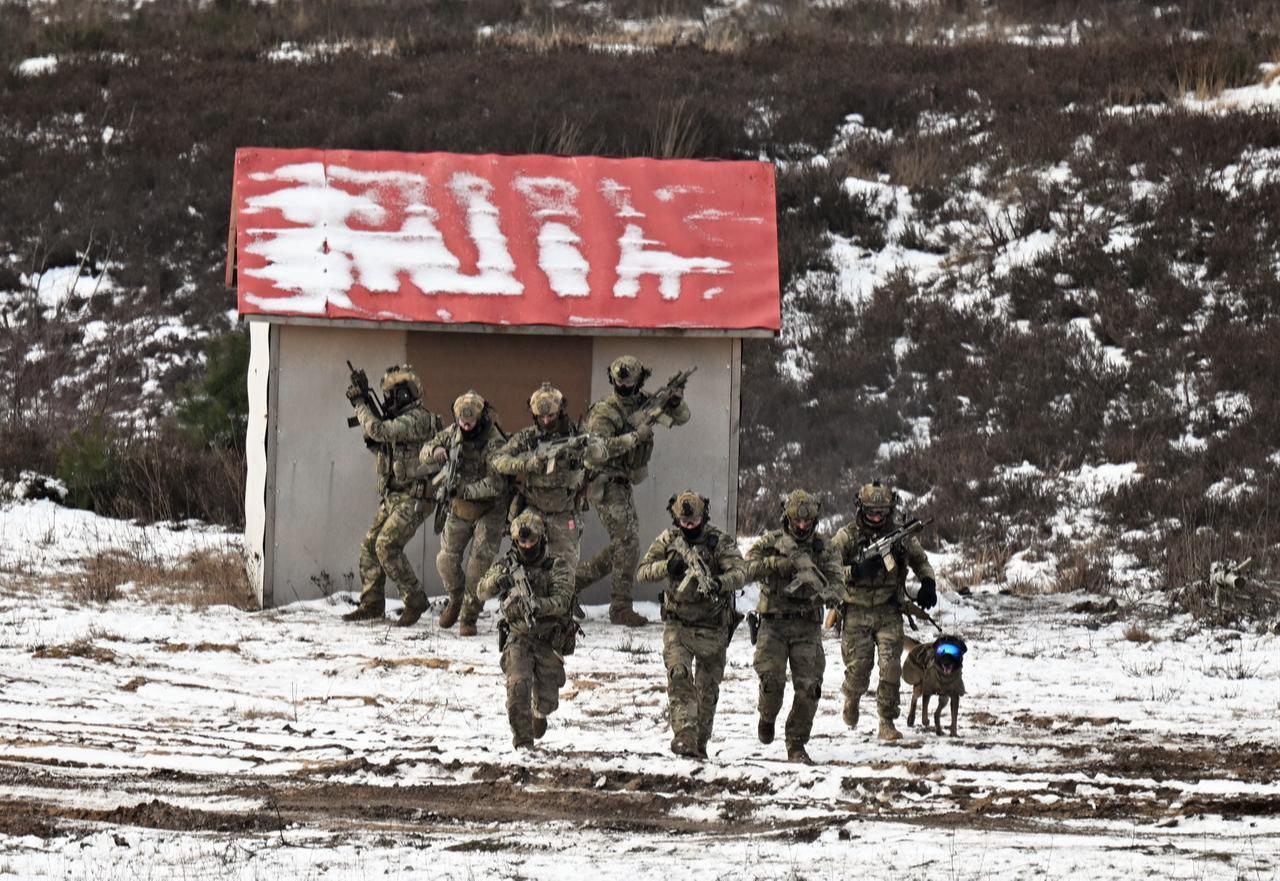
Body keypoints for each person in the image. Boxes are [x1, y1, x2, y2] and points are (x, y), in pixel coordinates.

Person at [577, 356, 691, 627]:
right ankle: (620, 607)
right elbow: (596, 449)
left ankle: (573, 584)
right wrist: (634, 437)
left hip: (622, 480)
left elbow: (682, 417)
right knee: (628, 544)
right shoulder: (605, 411)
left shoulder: (643, 402)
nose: (624, 388)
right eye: (620, 384)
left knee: (624, 545)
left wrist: (673, 400)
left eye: (629, 384)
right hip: (603, 481)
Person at [636, 490, 745, 759]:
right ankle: (684, 734)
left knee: (707, 692)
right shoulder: (669, 541)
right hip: (678, 624)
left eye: (693, 522)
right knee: (679, 675)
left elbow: (741, 573)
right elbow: (642, 572)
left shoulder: (718, 541)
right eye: (683, 523)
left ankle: (699, 744)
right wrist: (667, 567)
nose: (688, 527)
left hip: (712, 626)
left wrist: (720, 582)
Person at [831, 480, 937, 742]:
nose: (877, 517)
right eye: (871, 512)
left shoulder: (898, 535)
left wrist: (928, 582)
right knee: (858, 670)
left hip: (889, 609)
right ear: (861, 509)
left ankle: (886, 721)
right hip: (856, 610)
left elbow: (920, 559)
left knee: (891, 668)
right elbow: (827, 569)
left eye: (882, 512)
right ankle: (852, 698)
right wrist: (854, 572)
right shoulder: (847, 536)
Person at [745, 490, 844, 764]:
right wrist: (778, 564)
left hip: (807, 626)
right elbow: (746, 568)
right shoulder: (771, 542)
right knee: (772, 681)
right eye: (797, 522)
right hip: (773, 625)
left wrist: (825, 592)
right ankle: (767, 716)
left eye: (808, 522)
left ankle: (796, 744)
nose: (802, 527)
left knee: (809, 688)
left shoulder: (824, 548)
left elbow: (838, 581)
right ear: (786, 518)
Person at [343, 365, 442, 627]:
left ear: (405, 394)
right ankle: (372, 604)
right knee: (370, 547)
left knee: (387, 546)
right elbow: (384, 445)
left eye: (392, 395)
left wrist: (361, 404)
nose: (388, 401)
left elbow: (379, 430)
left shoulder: (418, 418)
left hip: (416, 497)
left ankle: (415, 599)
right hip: (395, 495)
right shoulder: (401, 420)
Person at [477, 510, 576, 750]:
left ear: (541, 539)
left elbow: (562, 602)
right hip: (518, 637)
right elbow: (481, 590)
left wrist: (537, 605)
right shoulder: (507, 565)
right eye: (522, 542)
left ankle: (539, 713)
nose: (527, 546)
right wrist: (497, 582)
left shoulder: (557, 567)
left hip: (548, 639)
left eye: (532, 541)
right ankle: (522, 743)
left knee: (547, 701)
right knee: (518, 688)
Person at [491, 382, 607, 574]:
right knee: (526, 564)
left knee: (565, 569)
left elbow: (602, 450)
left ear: (560, 411)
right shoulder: (527, 438)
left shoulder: (576, 434)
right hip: (533, 510)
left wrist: (584, 449)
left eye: (551, 416)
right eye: (541, 417)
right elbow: (498, 460)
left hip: (565, 511)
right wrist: (526, 464)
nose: (546, 421)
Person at [422, 391, 508, 637]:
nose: (466, 426)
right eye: (462, 422)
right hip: (459, 509)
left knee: (477, 568)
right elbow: (425, 450)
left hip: (489, 510)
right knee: (445, 561)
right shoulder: (453, 433)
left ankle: (469, 616)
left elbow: (497, 483)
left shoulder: (494, 441)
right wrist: (436, 450)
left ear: (479, 418)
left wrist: (466, 489)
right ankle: (456, 598)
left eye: (470, 423)